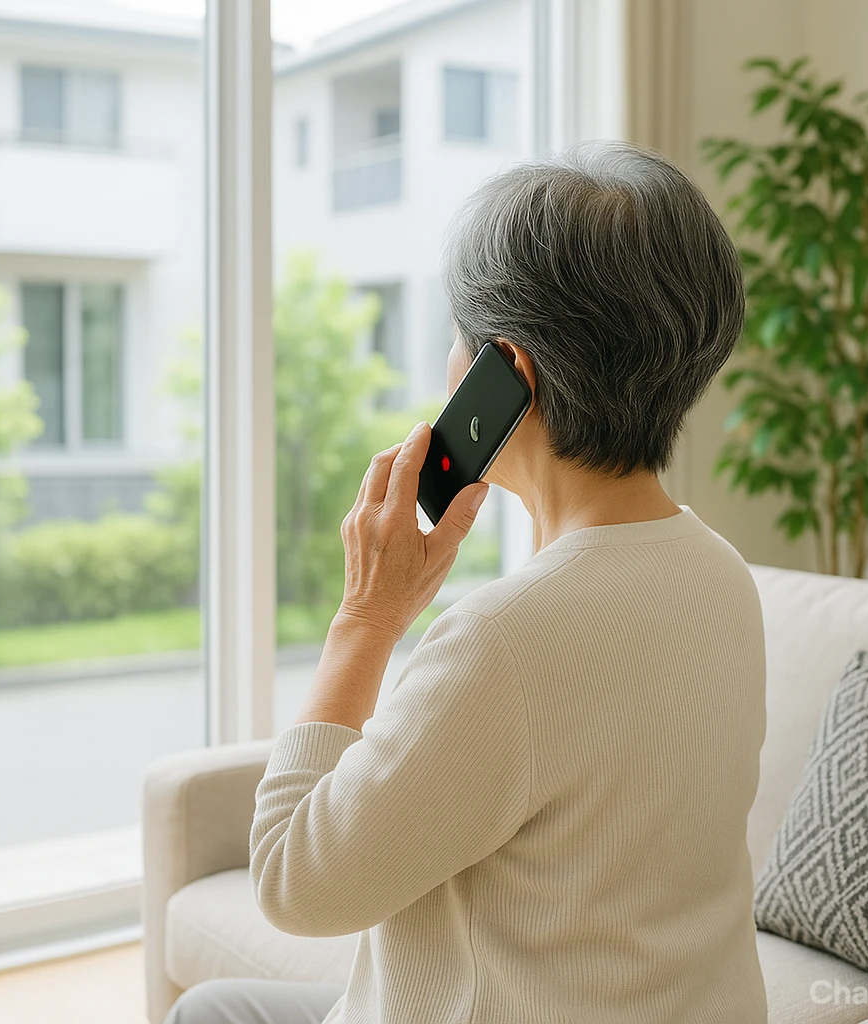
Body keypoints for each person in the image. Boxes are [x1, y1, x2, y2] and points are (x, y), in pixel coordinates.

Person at [165, 139, 768, 1024]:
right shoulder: (724, 576)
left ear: (506, 375)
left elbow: (295, 885)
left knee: (207, 1014)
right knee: (222, 1005)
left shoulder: (504, 641)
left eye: (458, 336)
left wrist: (366, 619)